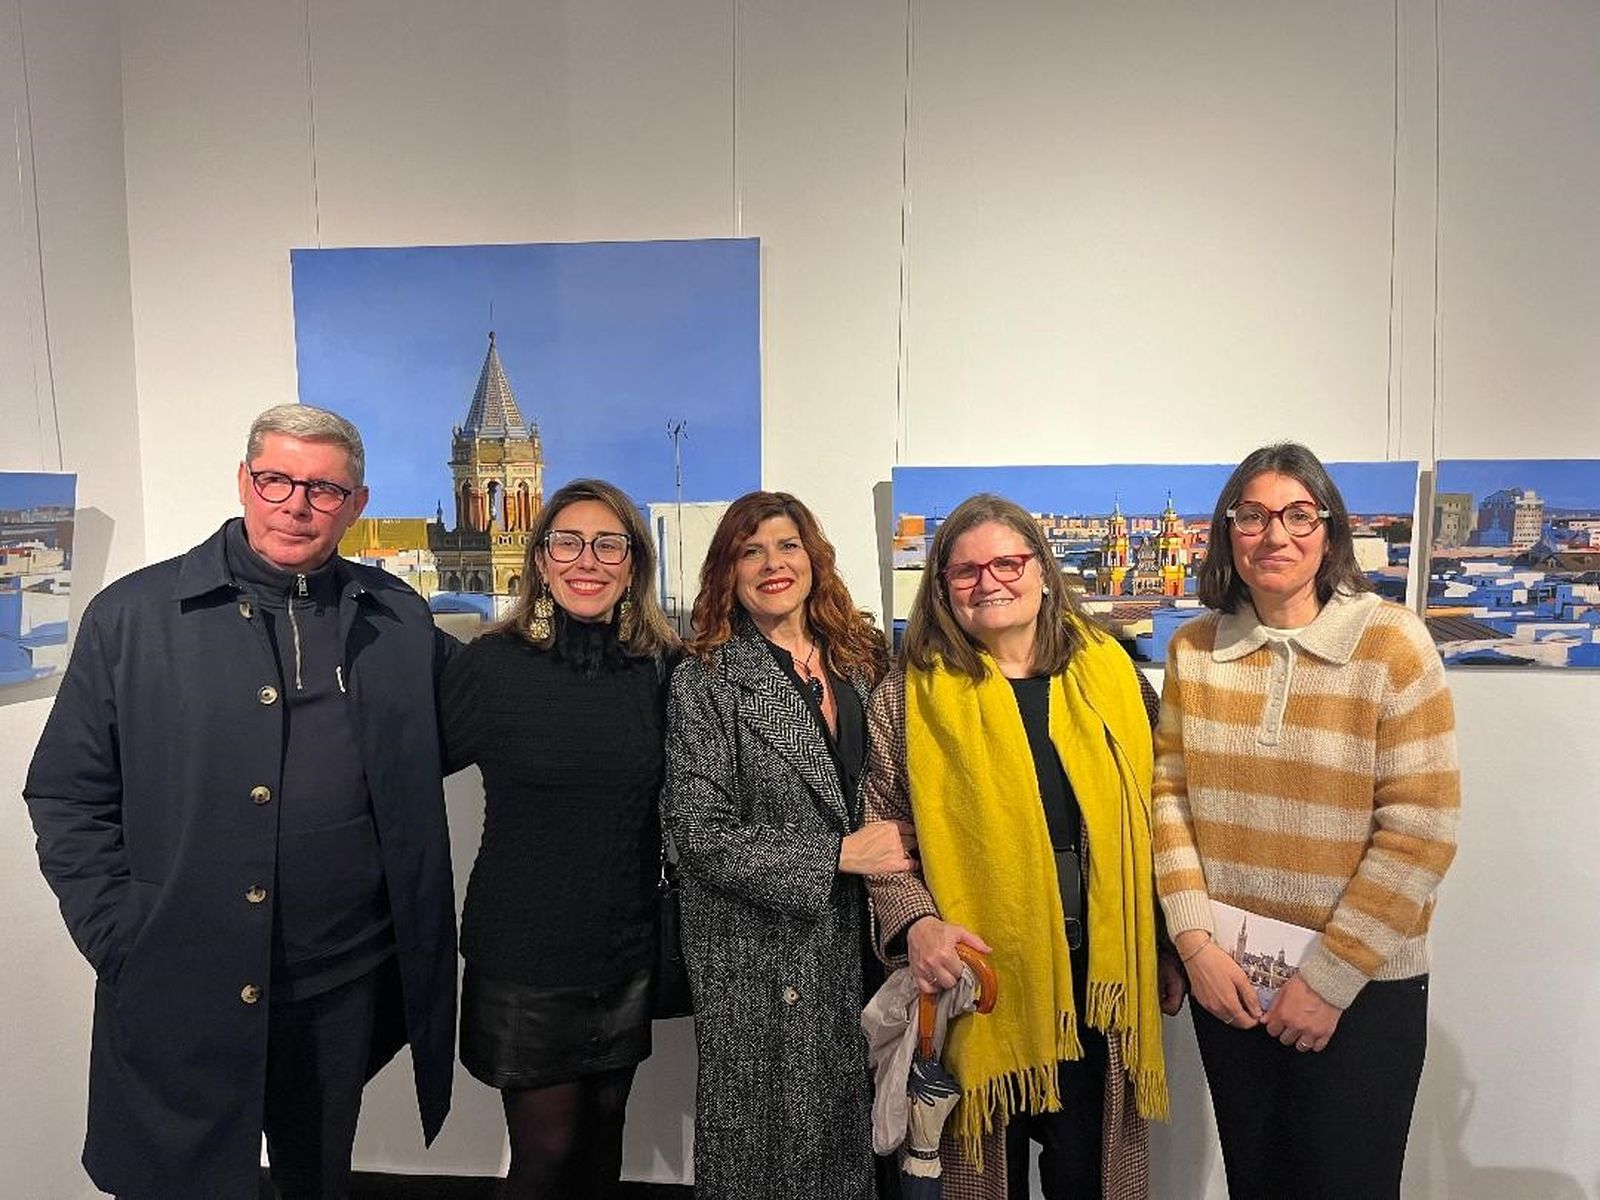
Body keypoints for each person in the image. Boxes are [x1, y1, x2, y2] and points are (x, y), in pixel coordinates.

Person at [23, 404, 459, 1199]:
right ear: (244, 481)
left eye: (325, 489)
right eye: (277, 479)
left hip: (340, 981)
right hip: (179, 973)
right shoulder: (132, 616)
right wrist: (121, 937)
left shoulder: (398, 616)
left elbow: (481, 714)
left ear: (355, 506)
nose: (296, 502)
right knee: (175, 1182)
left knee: (316, 1179)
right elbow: (65, 791)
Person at [1154, 442, 1460, 1199]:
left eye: (1298, 514)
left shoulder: (1392, 644)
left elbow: (1422, 829)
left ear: (1330, 530)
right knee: (1257, 1183)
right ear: (1229, 532)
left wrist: (1326, 981)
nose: (1275, 535)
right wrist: (1194, 947)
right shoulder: (1195, 649)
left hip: (1359, 990)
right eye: (1251, 516)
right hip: (1234, 984)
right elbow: (1168, 802)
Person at [863, 493, 1184, 1200]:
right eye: (966, 571)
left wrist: (1164, 942)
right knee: (983, 1182)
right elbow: (883, 831)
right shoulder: (907, 696)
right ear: (942, 587)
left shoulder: (1114, 675)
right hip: (980, 987)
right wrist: (917, 924)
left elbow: (1161, 817)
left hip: (1099, 987)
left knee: (1088, 1181)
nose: (990, 581)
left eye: (1007, 562)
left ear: (1042, 569)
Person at [663, 490, 910, 1200]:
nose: (773, 564)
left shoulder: (862, 659)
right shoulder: (706, 678)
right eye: (751, 551)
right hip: (761, 953)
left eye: (787, 545)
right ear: (728, 572)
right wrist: (837, 855)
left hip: (865, 938)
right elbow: (698, 835)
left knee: (860, 1135)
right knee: (769, 1152)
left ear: (813, 558)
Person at [440, 478, 678, 1198]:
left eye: (609, 544)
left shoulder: (662, 671)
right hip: (525, 956)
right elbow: (401, 774)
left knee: (605, 1143)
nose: (588, 560)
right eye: (567, 542)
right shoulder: (489, 665)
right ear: (541, 560)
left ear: (633, 564)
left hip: (624, 952)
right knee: (545, 1157)